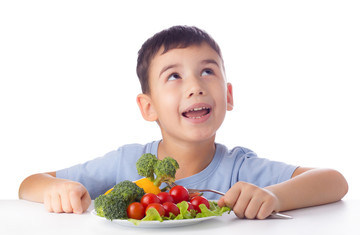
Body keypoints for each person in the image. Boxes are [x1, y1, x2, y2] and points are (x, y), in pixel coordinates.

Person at [18, 25, 348, 219]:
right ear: (148, 107)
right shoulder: (126, 162)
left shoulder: (239, 168)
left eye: (207, 71)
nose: (195, 86)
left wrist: (275, 197)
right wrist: (57, 188)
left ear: (228, 95)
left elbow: (334, 181)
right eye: (174, 76)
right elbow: (29, 183)